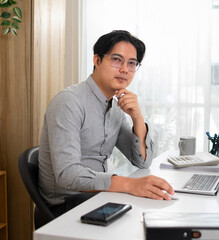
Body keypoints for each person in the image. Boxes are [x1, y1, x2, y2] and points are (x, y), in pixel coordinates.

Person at [38, 30, 174, 216]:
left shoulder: (115, 106)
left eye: (132, 63)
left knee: (156, 211)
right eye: (117, 60)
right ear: (97, 61)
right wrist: (129, 184)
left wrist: (137, 117)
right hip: (67, 204)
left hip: (97, 195)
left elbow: (142, 161)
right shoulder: (69, 102)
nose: (125, 69)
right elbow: (67, 175)